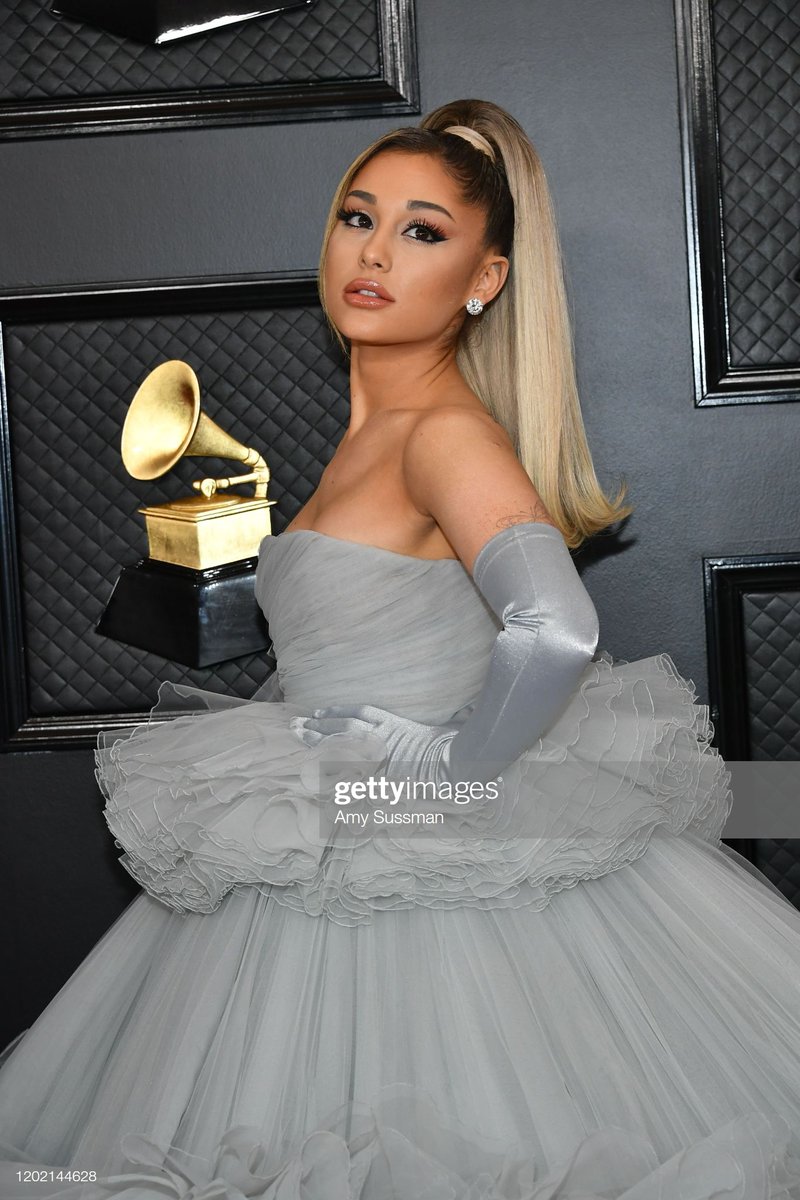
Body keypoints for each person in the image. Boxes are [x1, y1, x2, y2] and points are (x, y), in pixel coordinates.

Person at [1, 97, 800, 1200]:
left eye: (422, 231)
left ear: (483, 279)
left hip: (427, 846)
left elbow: (557, 628)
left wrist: (446, 770)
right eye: (355, 218)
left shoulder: (441, 434)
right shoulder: (365, 437)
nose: (374, 253)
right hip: (338, 827)